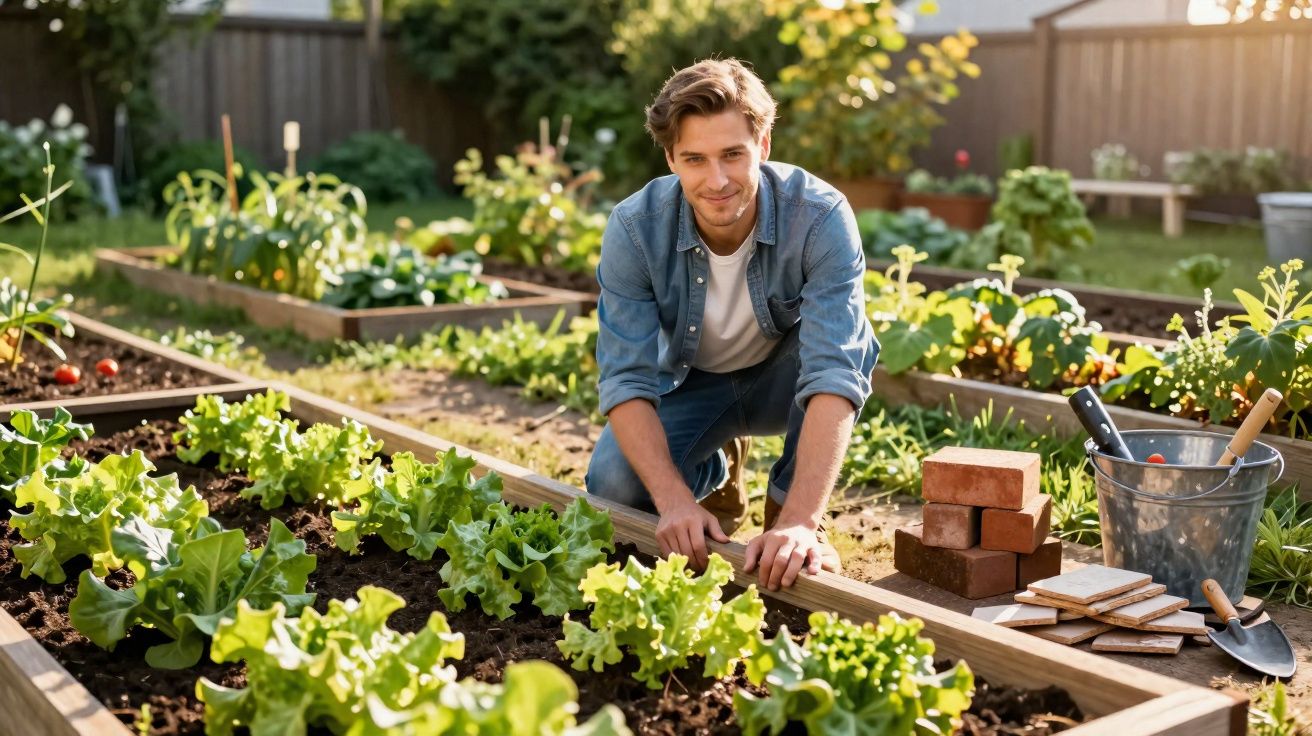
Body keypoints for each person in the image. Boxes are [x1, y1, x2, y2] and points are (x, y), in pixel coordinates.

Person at [585, 58, 879, 591]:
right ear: (671, 158)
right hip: (693, 383)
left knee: (840, 356)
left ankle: (786, 505)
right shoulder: (635, 227)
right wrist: (673, 502)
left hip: (784, 381)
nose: (716, 180)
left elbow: (835, 371)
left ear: (763, 146)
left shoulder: (819, 216)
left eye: (732, 155)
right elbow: (625, 378)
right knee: (613, 485)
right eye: (695, 159)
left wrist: (799, 521)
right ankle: (716, 467)